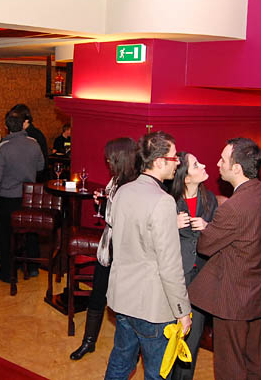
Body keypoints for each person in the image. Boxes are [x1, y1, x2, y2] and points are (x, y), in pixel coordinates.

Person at [105, 131, 191, 380]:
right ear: (159, 161)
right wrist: (182, 311)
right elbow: (169, 265)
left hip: (123, 299)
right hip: (152, 308)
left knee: (120, 363)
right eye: (174, 158)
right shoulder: (163, 201)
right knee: (157, 374)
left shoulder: (123, 191)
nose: (178, 163)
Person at [187, 137, 261, 380]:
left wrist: (208, 228)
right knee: (253, 360)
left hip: (232, 299)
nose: (218, 164)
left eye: (223, 160)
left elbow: (205, 246)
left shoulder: (233, 207)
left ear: (236, 168)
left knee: (230, 365)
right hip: (256, 292)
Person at [69, 137, 141, 361]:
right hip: (108, 246)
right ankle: (88, 342)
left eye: (110, 157)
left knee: (126, 303)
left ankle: (130, 349)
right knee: (98, 293)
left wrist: (108, 205)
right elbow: (111, 213)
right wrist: (102, 202)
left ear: (121, 157)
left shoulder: (137, 185)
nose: (107, 161)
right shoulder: (116, 180)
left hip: (127, 250)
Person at [169, 152, 218, 380]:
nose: (204, 165)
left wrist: (208, 228)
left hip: (201, 276)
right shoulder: (168, 201)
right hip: (176, 277)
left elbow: (219, 235)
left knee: (194, 335)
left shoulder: (210, 200)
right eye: (197, 165)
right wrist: (170, 224)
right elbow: (151, 238)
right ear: (186, 178)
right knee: (171, 335)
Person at [0, 109, 44, 282]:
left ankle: (7, 273)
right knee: (29, 232)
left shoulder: (4, 147)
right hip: (28, 197)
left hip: (8, 197)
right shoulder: (34, 143)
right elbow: (41, 166)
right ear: (23, 124)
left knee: (7, 235)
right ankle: (32, 267)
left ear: (7, 127)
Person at [0, 103, 49, 182]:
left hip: (31, 181)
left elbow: (39, 165)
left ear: (26, 120)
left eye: (17, 119)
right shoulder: (20, 134)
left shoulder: (33, 136)